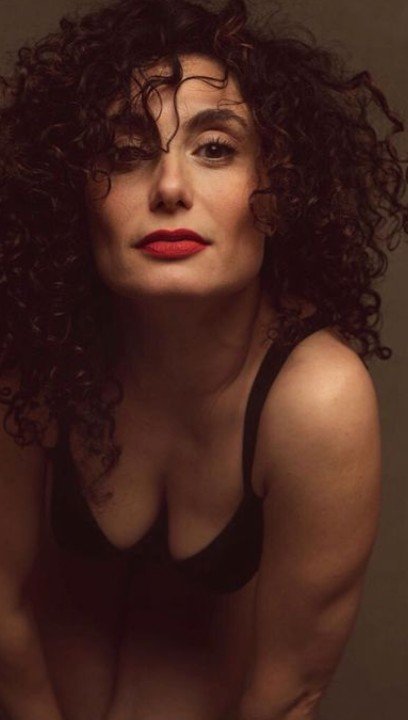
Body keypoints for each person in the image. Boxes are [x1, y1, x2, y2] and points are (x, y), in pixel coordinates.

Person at [0, 0, 406, 718]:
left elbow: (289, 692)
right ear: (73, 192)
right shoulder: (38, 355)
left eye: (215, 149)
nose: (170, 188)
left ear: (277, 191)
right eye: (127, 152)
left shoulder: (313, 399)